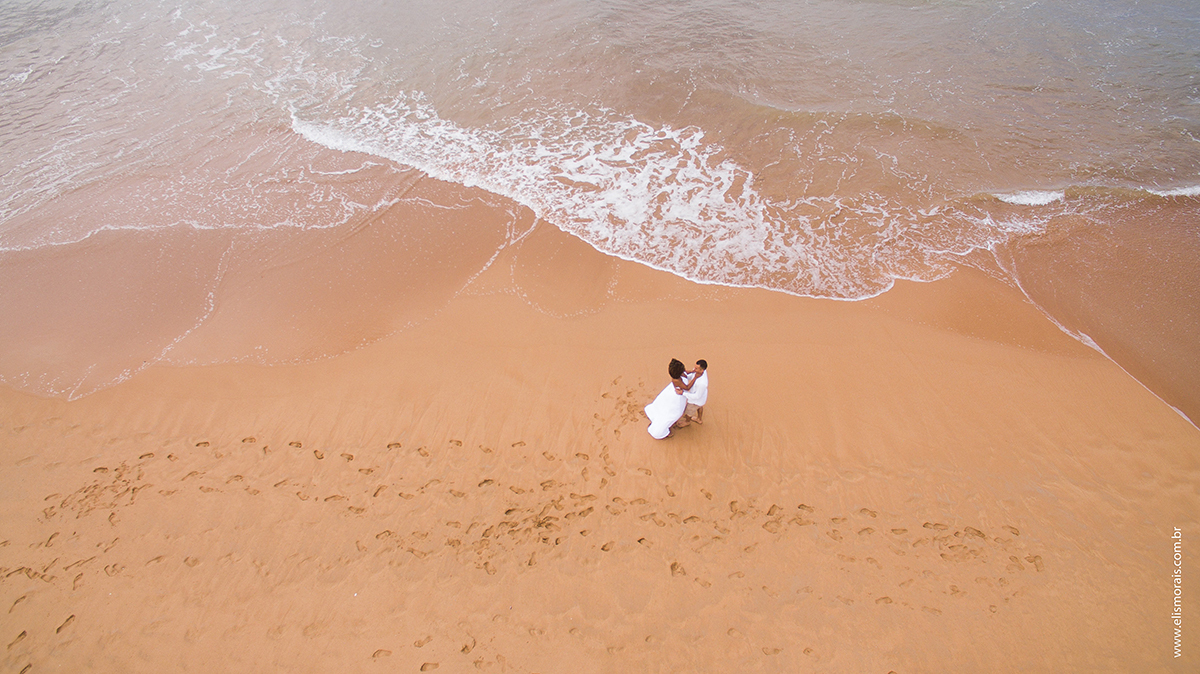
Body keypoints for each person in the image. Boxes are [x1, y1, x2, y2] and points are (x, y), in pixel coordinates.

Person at [645, 359, 689, 439]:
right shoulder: (681, 381)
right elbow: (687, 388)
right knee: (673, 413)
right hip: (677, 397)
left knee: (664, 406)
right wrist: (696, 377)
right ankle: (664, 426)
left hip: (671, 393)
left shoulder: (676, 379)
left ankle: (662, 422)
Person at [682, 359, 708, 424]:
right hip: (701, 398)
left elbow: (697, 396)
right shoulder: (700, 372)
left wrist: (683, 393)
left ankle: (687, 422)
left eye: (696, 368)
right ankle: (699, 419)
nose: (694, 369)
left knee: (689, 411)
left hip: (695, 400)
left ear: (702, 370)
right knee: (699, 406)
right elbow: (692, 375)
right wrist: (687, 375)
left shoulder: (702, 383)